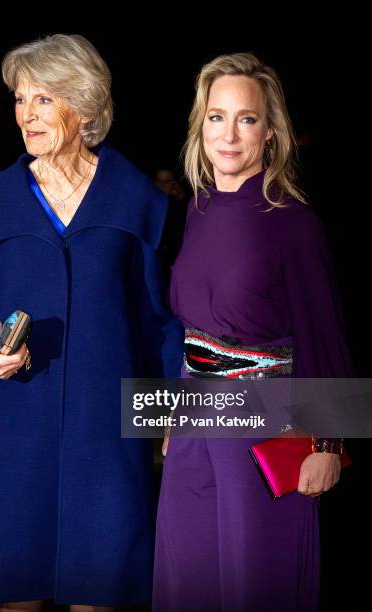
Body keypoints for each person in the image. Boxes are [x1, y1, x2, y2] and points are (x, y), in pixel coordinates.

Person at [0, 33, 182, 612]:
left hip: (107, 444)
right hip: (9, 439)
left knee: (103, 594)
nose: (26, 114)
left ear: (86, 104)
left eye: (44, 99)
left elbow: (161, 324)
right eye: (21, 100)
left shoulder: (140, 202)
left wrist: (177, 415)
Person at [152, 52, 354, 612]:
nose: (230, 134)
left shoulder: (294, 222)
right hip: (194, 416)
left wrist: (327, 443)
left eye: (247, 118)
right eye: (217, 117)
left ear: (269, 133)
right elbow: (189, 328)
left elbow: (324, 335)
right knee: (186, 580)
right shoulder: (197, 210)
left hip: (264, 422)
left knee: (255, 585)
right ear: (200, 126)